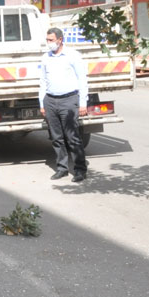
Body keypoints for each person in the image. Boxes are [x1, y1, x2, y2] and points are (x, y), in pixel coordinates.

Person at [39, 27, 88, 182]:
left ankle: (80, 169)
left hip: (69, 99)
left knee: (72, 136)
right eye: (47, 40)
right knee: (56, 137)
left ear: (60, 40)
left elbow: (82, 79)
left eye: (51, 40)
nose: (49, 43)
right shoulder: (46, 57)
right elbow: (42, 82)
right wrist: (42, 103)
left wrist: (82, 103)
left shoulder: (72, 56)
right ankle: (62, 168)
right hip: (51, 100)